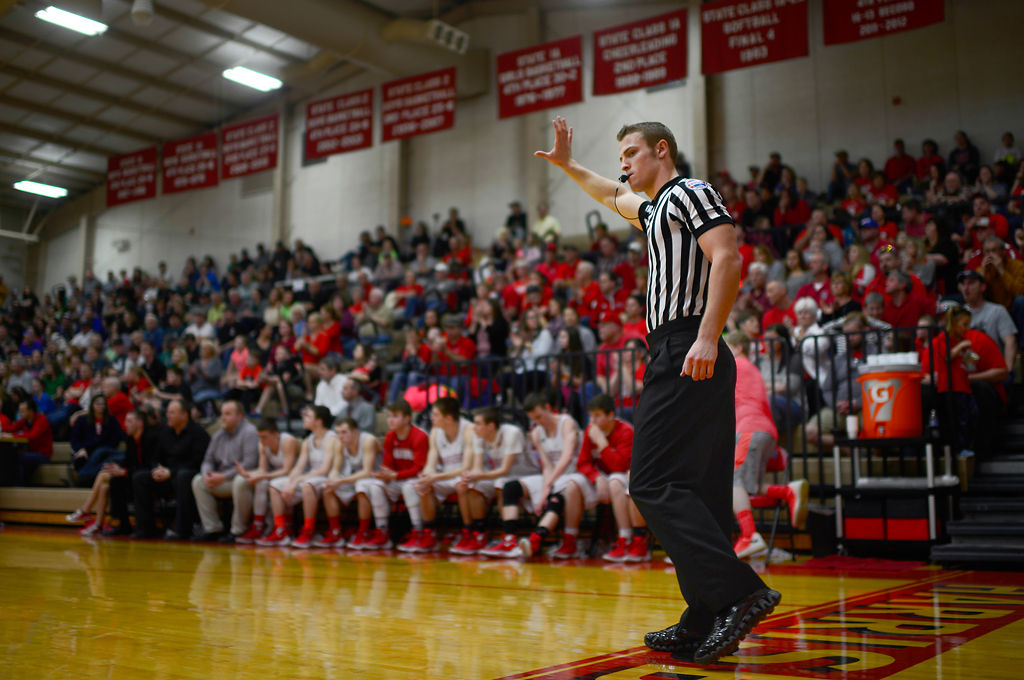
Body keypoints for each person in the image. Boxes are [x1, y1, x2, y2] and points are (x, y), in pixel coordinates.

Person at [535, 116, 778, 664]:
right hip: (681, 348)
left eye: (631, 152)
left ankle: (739, 593)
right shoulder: (652, 208)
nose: (623, 163)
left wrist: (709, 337)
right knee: (700, 489)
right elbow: (608, 192)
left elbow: (728, 256)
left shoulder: (689, 191)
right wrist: (567, 165)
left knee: (647, 482)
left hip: (689, 344)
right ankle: (705, 612)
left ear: (661, 150)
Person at [725, 332, 808, 559]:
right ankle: (786, 491)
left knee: (734, 481)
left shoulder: (736, 365)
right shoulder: (751, 368)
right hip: (765, 431)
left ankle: (750, 535)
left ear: (738, 348)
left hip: (749, 430)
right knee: (748, 485)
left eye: (726, 348)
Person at [574, 394, 650, 563]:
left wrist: (602, 443)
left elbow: (621, 466)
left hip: (625, 476)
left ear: (610, 415)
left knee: (615, 481)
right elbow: (582, 463)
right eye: (590, 416)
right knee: (573, 484)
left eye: (597, 416)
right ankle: (569, 539)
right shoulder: (590, 431)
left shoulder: (625, 431)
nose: (592, 421)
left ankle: (628, 539)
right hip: (601, 480)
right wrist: (596, 477)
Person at [449, 406, 529, 555]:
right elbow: (478, 469)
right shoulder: (478, 436)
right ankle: (479, 534)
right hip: (501, 476)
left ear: (491, 426)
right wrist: (469, 476)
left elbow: (505, 469)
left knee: (501, 485)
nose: (474, 428)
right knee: (472, 485)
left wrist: (476, 475)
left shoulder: (512, 433)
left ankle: (508, 537)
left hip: (525, 476)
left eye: (478, 423)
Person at [350, 399, 429, 550]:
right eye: (389, 416)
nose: (390, 420)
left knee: (408, 487)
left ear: (407, 419)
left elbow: (419, 468)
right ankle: (382, 531)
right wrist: (383, 474)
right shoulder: (390, 436)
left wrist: (394, 475)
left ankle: (418, 531)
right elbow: (387, 464)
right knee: (374, 487)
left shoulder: (420, 436)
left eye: (395, 416)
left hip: (416, 479)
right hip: (397, 478)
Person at [398, 396, 472, 553]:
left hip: (466, 475)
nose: (431, 417)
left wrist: (435, 477)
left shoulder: (468, 429)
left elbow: (467, 467)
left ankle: (469, 532)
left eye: (436, 414)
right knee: (424, 486)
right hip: (446, 476)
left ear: (449, 418)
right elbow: (430, 463)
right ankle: (428, 533)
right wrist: (426, 476)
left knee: (462, 485)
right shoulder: (436, 431)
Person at [258, 405, 339, 547]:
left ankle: (308, 530)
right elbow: (299, 466)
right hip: (313, 477)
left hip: (329, 478)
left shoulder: (331, 438)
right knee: (275, 485)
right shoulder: (309, 440)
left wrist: (298, 480)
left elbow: (324, 470)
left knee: (308, 486)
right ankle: (281, 530)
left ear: (318, 421)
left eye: (308, 416)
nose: (304, 418)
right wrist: (290, 481)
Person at [131, 398, 211, 539]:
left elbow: (198, 462)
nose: (167, 415)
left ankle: (182, 530)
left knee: (183, 476)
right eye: (167, 412)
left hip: (187, 476)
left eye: (172, 412)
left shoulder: (199, 433)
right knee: (140, 477)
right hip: (167, 475)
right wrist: (157, 469)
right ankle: (146, 528)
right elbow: (155, 457)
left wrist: (171, 472)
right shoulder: (165, 433)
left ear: (184, 415)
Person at [190, 400, 260, 542]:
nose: (222, 417)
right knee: (198, 481)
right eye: (222, 414)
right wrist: (207, 475)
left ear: (240, 416)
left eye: (228, 414)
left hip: (244, 478)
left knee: (241, 482)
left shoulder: (250, 432)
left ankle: (238, 530)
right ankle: (212, 528)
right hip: (222, 479)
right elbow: (208, 460)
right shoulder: (219, 434)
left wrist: (223, 476)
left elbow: (249, 463)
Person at [234, 419, 300, 544]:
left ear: (276, 434)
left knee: (270, 483)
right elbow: (262, 469)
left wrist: (262, 475)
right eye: (259, 437)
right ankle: (258, 526)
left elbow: (287, 470)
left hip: (295, 476)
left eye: (264, 437)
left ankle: (284, 528)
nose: (261, 441)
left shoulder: (288, 441)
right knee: (261, 482)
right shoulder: (262, 445)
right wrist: (246, 473)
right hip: (280, 476)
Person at [8, 400, 53, 485]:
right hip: (31, 453)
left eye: (22, 411)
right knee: (13, 456)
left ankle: (19, 486)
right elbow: (11, 428)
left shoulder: (41, 420)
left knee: (17, 458)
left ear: (31, 411)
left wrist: (14, 436)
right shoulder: (24, 420)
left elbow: (32, 436)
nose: (20, 413)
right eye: (19, 411)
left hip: (43, 454)